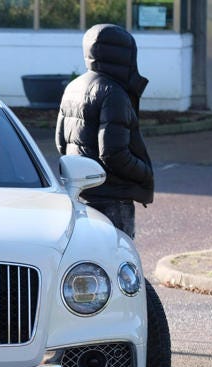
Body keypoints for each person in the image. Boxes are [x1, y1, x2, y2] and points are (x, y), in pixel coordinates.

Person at [55, 23, 153, 239]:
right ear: (126, 55)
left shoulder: (73, 86)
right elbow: (113, 154)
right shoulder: (113, 92)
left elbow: (61, 143)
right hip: (113, 197)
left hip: (80, 194)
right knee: (118, 261)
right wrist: (145, 173)